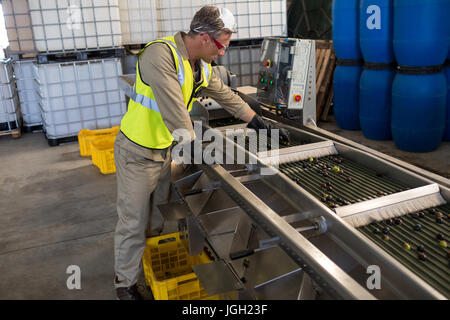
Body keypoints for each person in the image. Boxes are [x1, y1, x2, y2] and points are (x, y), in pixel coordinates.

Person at [113, 5, 289, 300]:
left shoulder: (201, 67)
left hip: (164, 151)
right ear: (205, 38)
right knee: (133, 221)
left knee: (155, 218)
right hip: (137, 153)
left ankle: (148, 261)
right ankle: (126, 284)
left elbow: (227, 96)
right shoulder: (160, 55)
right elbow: (176, 116)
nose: (223, 53)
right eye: (222, 46)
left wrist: (258, 122)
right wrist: (210, 158)